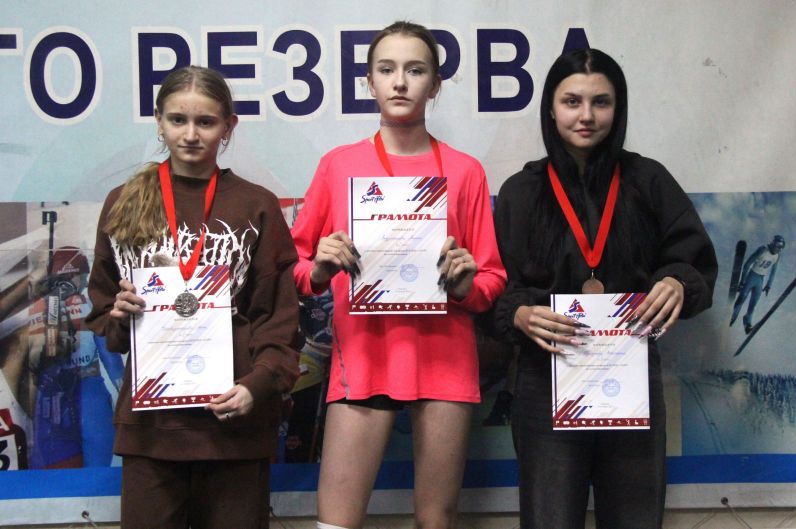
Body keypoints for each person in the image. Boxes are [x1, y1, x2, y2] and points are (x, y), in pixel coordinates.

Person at [291, 21, 507, 529]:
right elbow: (295, 269)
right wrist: (319, 268)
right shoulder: (338, 166)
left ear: (435, 85)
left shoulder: (465, 171)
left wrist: (465, 284)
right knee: (336, 522)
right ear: (369, 82)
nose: (401, 82)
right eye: (387, 70)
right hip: (364, 355)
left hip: (444, 359)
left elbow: (491, 279)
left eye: (416, 70)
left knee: (436, 520)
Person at [493, 49, 717, 529]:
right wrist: (518, 314)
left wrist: (677, 282)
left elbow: (695, 263)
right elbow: (496, 288)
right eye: (572, 101)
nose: (587, 116)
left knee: (635, 519)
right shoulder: (521, 191)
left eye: (601, 102)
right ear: (550, 108)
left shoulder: (648, 180)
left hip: (630, 374)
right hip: (546, 378)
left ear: (619, 108)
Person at [85, 66, 300, 529]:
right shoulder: (123, 202)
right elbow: (103, 310)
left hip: (233, 418)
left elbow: (277, 316)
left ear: (228, 126)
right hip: (152, 428)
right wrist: (119, 314)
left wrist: (258, 385)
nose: (190, 134)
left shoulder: (256, 204)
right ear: (159, 121)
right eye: (178, 120)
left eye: (206, 122)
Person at [730, 235, 785, 333]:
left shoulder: (777, 256)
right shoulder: (763, 250)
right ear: (773, 244)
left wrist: (769, 285)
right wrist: (742, 281)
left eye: (781, 248)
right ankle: (732, 317)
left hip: (760, 280)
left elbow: (774, 271)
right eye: (778, 247)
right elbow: (748, 264)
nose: (778, 250)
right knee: (742, 298)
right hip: (752, 276)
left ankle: (747, 322)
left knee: (753, 303)